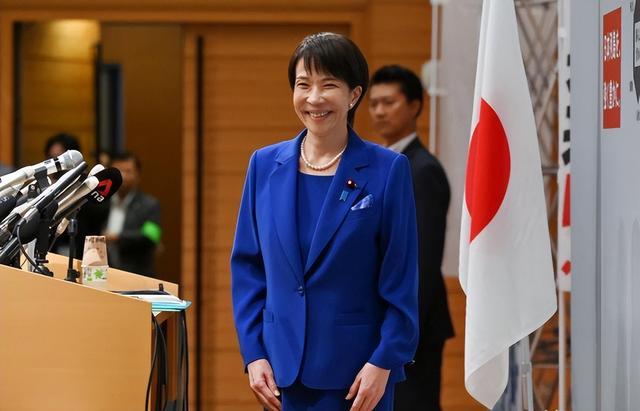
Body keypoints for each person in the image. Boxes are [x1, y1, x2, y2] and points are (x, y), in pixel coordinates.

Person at [231, 33, 419, 411]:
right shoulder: (264, 165)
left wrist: (384, 360)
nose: (314, 98)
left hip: (359, 377)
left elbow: (401, 278)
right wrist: (254, 353)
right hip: (281, 373)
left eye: (328, 85)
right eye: (303, 85)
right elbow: (249, 268)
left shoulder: (388, 170)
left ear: (354, 95)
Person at [369, 65, 454, 411]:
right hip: (388, 322)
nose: (379, 111)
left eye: (389, 102)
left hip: (411, 326)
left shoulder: (422, 169)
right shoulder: (382, 164)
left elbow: (421, 259)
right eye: (373, 103)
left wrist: (400, 330)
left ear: (415, 106)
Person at [103, 151, 161, 275]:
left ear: (138, 175)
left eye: (128, 171)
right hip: (102, 272)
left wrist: (117, 238)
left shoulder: (150, 204)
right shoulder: (101, 202)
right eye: (119, 171)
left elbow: (151, 236)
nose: (123, 176)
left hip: (136, 273)